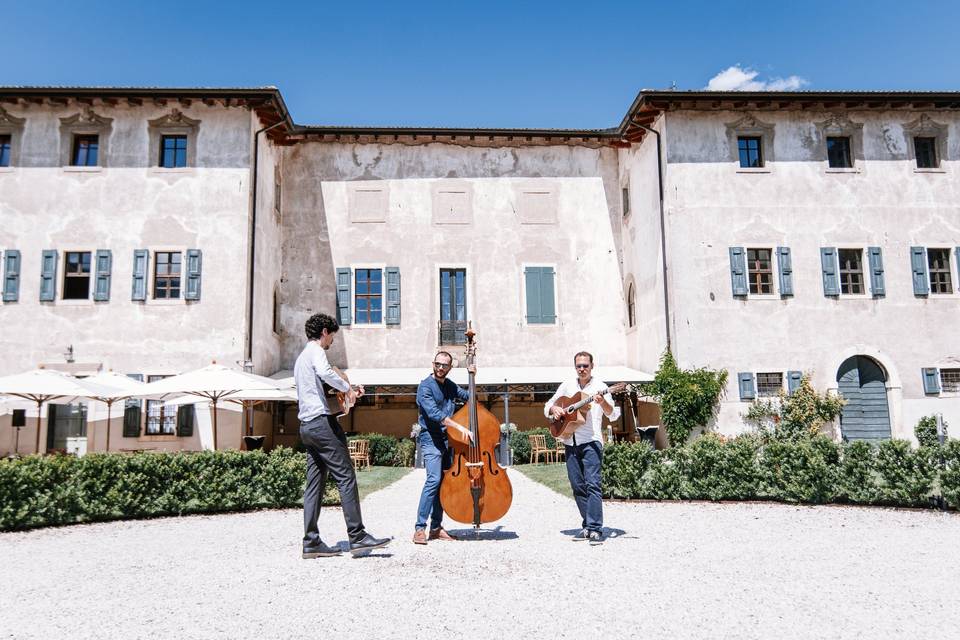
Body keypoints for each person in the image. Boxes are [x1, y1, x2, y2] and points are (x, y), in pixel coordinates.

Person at [295, 312, 390, 558]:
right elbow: (327, 374)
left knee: (314, 484)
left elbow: (322, 388)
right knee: (346, 476)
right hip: (322, 425)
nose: (331, 342)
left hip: (306, 426)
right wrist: (348, 388)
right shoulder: (317, 352)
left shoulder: (300, 358)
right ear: (324, 332)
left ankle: (311, 542)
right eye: (332, 337)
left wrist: (347, 392)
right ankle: (357, 537)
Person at [544, 351, 620, 545]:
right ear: (575, 367)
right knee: (577, 486)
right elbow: (548, 406)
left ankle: (595, 528)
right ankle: (587, 525)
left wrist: (603, 403)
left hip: (591, 442)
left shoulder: (601, 387)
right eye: (579, 366)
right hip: (570, 441)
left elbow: (613, 415)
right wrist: (554, 409)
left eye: (585, 365)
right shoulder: (567, 385)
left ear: (592, 366)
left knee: (592, 484)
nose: (582, 369)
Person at [412, 350, 476, 545]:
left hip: (447, 440)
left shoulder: (449, 385)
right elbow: (435, 414)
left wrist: (472, 376)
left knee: (443, 484)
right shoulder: (425, 387)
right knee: (433, 480)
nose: (440, 368)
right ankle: (419, 529)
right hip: (431, 438)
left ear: (450, 367)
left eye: (444, 365)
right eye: (437, 364)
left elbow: (470, 397)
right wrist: (459, 426)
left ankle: (436, 528)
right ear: (433, 364)